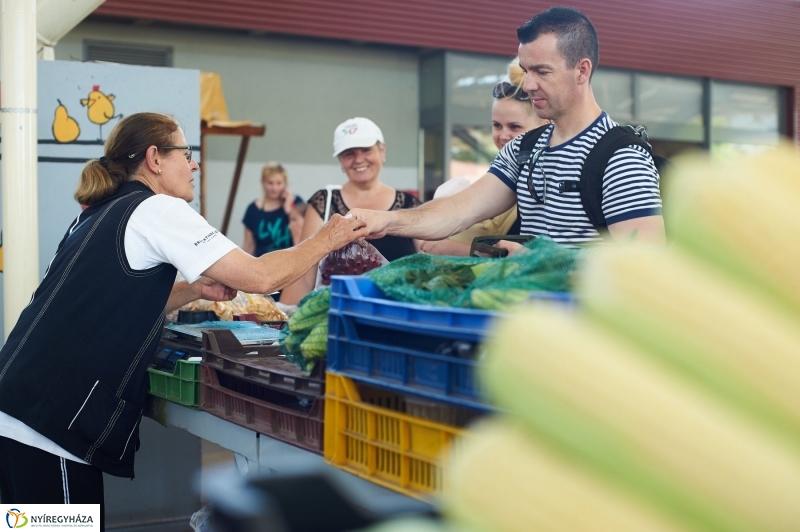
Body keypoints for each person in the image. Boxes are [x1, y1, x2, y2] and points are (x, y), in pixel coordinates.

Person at [0, 113, 367, 520]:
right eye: (186, 153)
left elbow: (111, 298)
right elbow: (262, 276)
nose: (194, 165)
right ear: (155, 158)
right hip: (48, 426)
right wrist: (327, 238)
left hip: (17, 408)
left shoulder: (97, 212)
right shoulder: (156, 209)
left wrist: (194, 290)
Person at [350, 6, 665, 251]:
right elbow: (457, 210)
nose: (528, 85)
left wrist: (546, 263)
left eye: (542, 71)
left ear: (582, 70)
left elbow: (643, 263)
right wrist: (385, 220)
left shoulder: (621, 157)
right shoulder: (524, 150)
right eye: (526, 70)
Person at [280, 117, 422, 304]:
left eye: (366, 150)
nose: (358, 159)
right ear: (340, 161)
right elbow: (305, 273)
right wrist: (283, 318)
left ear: (382, 150)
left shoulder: (410, 205)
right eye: (349, 154)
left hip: (400, 314)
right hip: (338, 316)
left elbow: (428, 263)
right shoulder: (324, 203)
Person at [421, 57, 548, 256]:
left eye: (515, 127)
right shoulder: (500, 177)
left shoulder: (541, 184)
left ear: (544, 126)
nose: (503, 135)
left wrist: (453, 249)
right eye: (497, 125)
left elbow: (534, 259)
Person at [242, 162, 303, 256]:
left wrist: (289, 210)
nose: (274, 188)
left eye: (279, 183)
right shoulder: (253, 210)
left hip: (290, 263)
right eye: (270, 183)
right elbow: (248, 246)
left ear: (285, 183)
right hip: (262, 265)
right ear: (262, 182)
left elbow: (304, 239)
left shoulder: (297, 204)